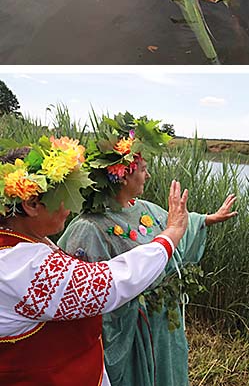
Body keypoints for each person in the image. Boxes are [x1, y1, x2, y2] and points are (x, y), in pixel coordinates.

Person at [59, 116, 237, 386]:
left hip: (164, 324)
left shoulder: (145, 209)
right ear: (123, 174)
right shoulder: (89, 227)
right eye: (143, 168)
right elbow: (77, 295)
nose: (148, 174)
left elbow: (175, 230)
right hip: (130, 331)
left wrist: (208, 219)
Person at [0, 134, 189, 386]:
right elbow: (110, 283)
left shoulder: (24, 244)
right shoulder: (18, 267)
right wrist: (171, 234)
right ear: (32, 203)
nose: (73, 206)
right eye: (64, 195)